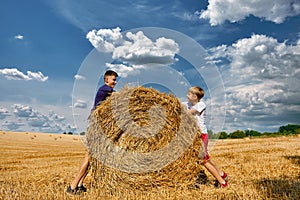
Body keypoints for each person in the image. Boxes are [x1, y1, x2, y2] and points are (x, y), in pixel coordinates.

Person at [66, 70, 118, 195]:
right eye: (113, 80)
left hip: (99, 128)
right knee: (88, 157)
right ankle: (72, 186)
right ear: (106, 80)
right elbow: (119, 97)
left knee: (91, 158)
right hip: (97, 128)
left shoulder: (106, 91)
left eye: (116, 80)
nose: (115, 82)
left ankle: (80, 184)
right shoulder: (105, 89)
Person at [184, 86, 228, 188]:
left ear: (195, 96)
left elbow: (188, 113)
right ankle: (222, 174)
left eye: (189, 94)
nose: (187, 95)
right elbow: (178, 104)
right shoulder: (189, 104)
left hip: (201, 135)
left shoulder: (201, 105)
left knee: (203, 161)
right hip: (194, 135)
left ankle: (222, 182)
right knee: (207, 157)